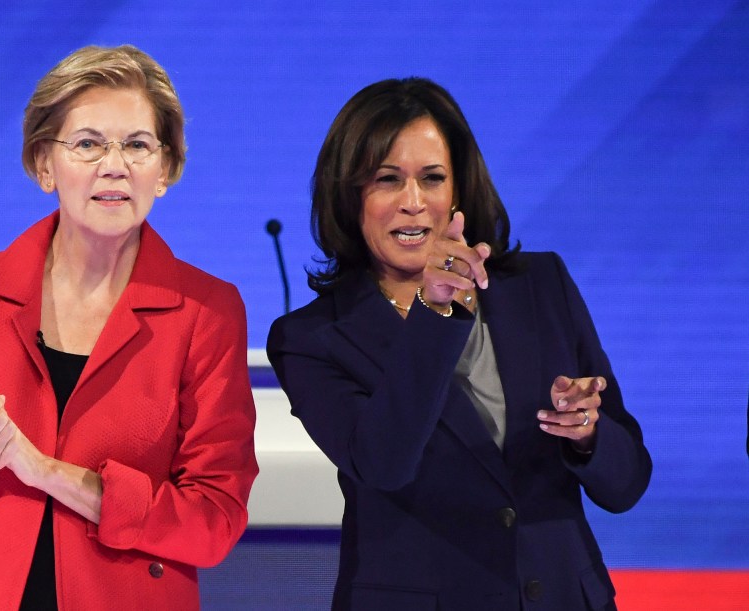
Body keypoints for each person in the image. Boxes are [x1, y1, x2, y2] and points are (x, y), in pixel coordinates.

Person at [0, 45, 258, 611]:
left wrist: (44, 471)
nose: (114, 164)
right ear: (43, 166)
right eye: (87, 144)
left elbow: (213, 523)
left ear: (166, 170)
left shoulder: (206, 312)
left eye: (137, 145)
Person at [266, 77, 651, 610]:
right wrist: (434, 311)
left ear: (459, 191)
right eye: (386, 180)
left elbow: (628, 483)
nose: (413, 202)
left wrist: (588, 435)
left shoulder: (540, 286)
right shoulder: (311, 338)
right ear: (349, 195)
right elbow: (385, 462)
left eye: (432, 178)